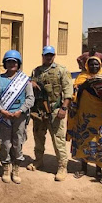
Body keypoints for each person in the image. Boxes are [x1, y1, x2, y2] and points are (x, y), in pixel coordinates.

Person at [66, 56, 102, 184]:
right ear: (87, 66)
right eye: (91, 64)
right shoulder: (82, 78)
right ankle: (83, 168)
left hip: (101, 118)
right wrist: (85, 85)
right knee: (84, 141)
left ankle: (99, 172)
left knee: (101, 143)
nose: (94, 67)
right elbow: (75, 95)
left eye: (96, 65)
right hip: (84, 117)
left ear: (100, 65)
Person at [27, 46, 73, 181]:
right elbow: (30, 86)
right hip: (39, 111)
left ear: (54, 55)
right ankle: (39, 160)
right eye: (46, 55)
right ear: (42, 55)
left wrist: (64, 108)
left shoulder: (61, 71)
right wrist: (31, 83)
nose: (49, 57)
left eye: (51, 55)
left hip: (55, 110)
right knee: (38, 137)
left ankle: (62, 166)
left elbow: (68, 92)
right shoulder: (37, 71)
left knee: (58, 140)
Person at [0, 50, 34, 184]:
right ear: (5, 63)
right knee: (5, 143)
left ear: (18, 64)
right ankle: (5, 168)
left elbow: (30, 98)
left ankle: (16, 168)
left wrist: (21, 110)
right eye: (9, 62)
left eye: (14, 62)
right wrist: (1, 111)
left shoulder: (24, 80)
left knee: (18, 142)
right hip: (4, 116)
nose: (11, 64)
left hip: (19, 117)